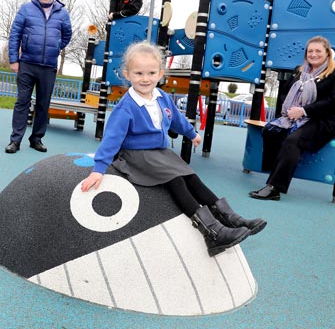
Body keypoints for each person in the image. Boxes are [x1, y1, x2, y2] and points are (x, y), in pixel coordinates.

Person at [81, 41, 266, 257]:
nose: (145, 78)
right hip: (136, 155)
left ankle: (231, 219)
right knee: (175, 180)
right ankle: (212, 233)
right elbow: (111, 139)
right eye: (138, 73)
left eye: (151, 73)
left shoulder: (163, 98)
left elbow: (176, 120)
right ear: (127, 74)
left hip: (160, 152)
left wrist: (192, 133)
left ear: (160, 73)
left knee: (191, 176)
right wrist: (99, 168)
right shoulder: (126, 107)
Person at [250, 36, 335, 201]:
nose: (313, 54)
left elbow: (334, 101)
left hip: (323, 120)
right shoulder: (299, 71)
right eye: (310, 51)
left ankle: (274, 188)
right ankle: (273, 172)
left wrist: (303, 110)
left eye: (318, 51)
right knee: (270, 130)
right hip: (295, 115)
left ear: (327, 54)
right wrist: (290, 111)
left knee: (293, 140)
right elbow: (285, 92)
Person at [5, 0, 72, 154]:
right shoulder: (26, 9)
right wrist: (14, 59)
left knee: (44, 104)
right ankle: (15, 140)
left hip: (48, 66)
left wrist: (55, 48)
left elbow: (66, 36)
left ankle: (36, 139)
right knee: (22, 102)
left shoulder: (62, 13)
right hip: (27, 63)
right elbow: (15, 35)